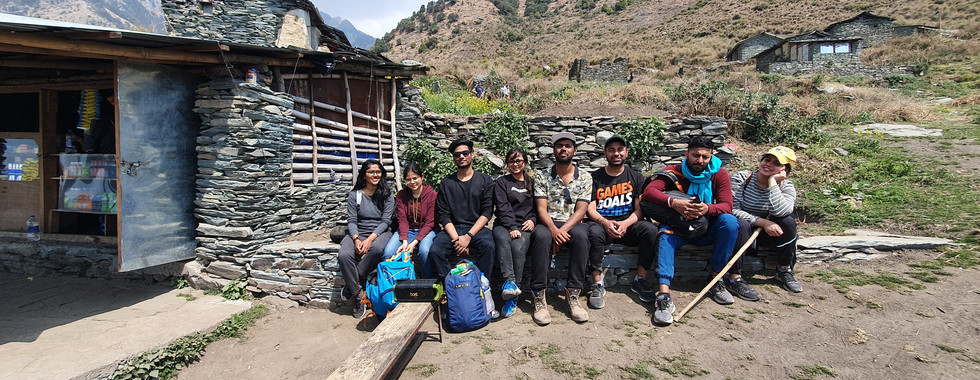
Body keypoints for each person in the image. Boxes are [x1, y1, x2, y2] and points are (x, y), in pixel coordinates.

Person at [641, 136, 739, 326]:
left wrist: (707, 209)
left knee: (729, 222)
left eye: (705, 157)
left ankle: (716, 279)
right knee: (665, 232)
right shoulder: (675, 172)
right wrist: (674, 203)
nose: (700, 160)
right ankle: (663, 294)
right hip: (681, 227)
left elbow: (727, 205)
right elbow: (650, 192)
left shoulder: (719, 174)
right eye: (695, 155)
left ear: (711, 157)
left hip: (707, 227)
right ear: (686, 154)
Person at [585, 136, 659, 309]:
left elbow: (639, 210)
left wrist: (625, 224)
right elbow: (590, 208)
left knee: (650, 230)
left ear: (626, 152)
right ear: (605, 153)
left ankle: (640, 279)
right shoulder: (595, 177)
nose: (616, 153)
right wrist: (605, 222)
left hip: (628, 224)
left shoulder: (636, 178)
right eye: (611, 150)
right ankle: (597, 283)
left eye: (620, 149)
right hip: (602, 224)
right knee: (591, 232)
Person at [527, 132, 592, 325]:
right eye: (559, 146)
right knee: (541, 236)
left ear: (574, 150)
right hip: (548, 222)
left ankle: (573, 294)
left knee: (582, 236)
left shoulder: (585, 177)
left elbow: (581, 211)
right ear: (554, 150)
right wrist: (554, 231)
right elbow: (541, 209)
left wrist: (562, 230)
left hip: (572, 222)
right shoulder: (542, 176)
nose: (563, 149)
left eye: (567, 146)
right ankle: (539, 295)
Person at [728, 146, 802, 297]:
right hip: (744, 231)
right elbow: (732, 208)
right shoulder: (743, 179)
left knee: (788, 222)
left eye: (776, 163)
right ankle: (734, 278)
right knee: (740, 224)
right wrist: (762, 222)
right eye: (767, 160)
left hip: (769, 234)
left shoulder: (786, 186)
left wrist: (773, 183)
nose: (768, 164)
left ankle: (784, 269)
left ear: (785, 171)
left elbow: (781, 211)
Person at [430, 139, 496, 279]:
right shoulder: (446, 183)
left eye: (465, 153)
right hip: (453, 229)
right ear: (453, 158)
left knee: (489, 246)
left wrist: (468, 237)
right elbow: (443, 215)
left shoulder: (485, 180)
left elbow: (487, 212)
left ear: (471, 155)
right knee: (435, 250)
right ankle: (451, 285)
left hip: (477, 229)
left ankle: (482, 285)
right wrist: (457, 240)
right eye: (457, 154)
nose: (461, 157)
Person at [338, 159, 395, 318]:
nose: (375, 175)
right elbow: (352, 220)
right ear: (364, 174)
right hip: (358, 231)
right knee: (344, 255)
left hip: (380, 232)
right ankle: (358, 294)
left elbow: (385, 221)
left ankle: (351, 284)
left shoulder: (387, 195)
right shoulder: (355, 195)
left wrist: (370, 239)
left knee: (377, 249)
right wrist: (356, 238)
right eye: (371, 172)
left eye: (378, 172)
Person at [492, 148, 536, 318]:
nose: (515, 164)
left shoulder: (531, 182)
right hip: (504, 224)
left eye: (519, 161)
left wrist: (533, 220)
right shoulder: (502, 183)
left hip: (524, 226)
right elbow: (502, 208)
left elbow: (538, 207)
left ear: (524, 162)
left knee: (518, 248)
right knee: (502, 240)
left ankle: (513, 298)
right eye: (512, 161)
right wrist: (512, 227)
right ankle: (510, 283)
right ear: (507, 164)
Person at [383, 162, 437, 278]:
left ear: (422, 177)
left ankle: (428, 283)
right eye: (408, 180)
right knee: (389, 252)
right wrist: (405, 241)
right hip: (408, 230)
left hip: (428, 230)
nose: (412, 182)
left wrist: (414, 243)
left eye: (415, 178)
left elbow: (430, 222)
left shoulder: (432, 195)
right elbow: (402, 220)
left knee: (425, 251)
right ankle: (393, 285)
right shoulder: (402, 195)